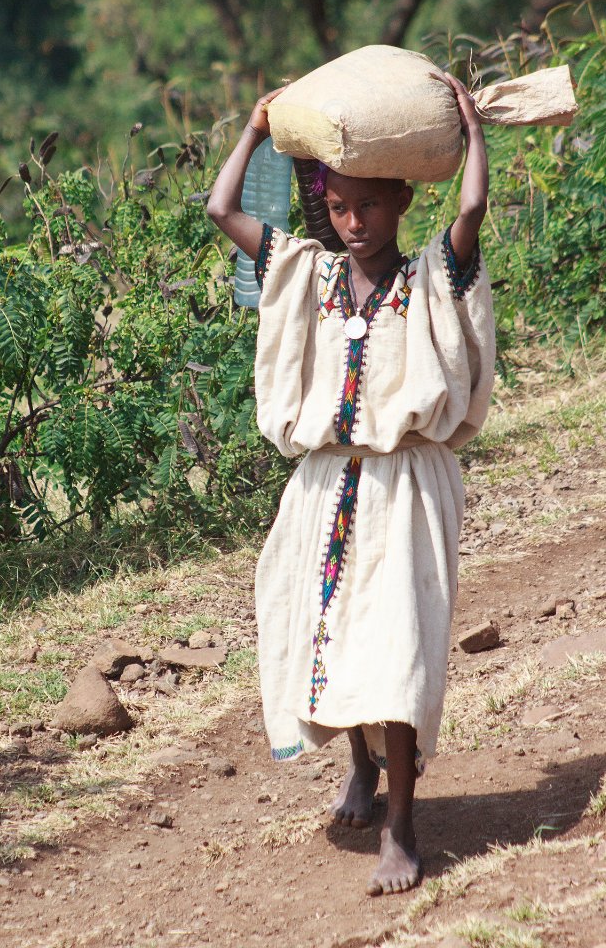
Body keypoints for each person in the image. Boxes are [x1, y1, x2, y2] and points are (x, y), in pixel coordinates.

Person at [207, 76, 495, 895]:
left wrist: (472, 129)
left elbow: (470, 211)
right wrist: (256, 127)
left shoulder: (435, 274)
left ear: (401, 198)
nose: (353, 222)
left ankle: (402, 828)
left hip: (405, 485)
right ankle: (363, 771)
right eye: (339, 208)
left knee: (396, 649)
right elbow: (220, 210)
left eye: (368, 206)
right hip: (325, 488)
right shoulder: (305, 274)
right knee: (328, 641)